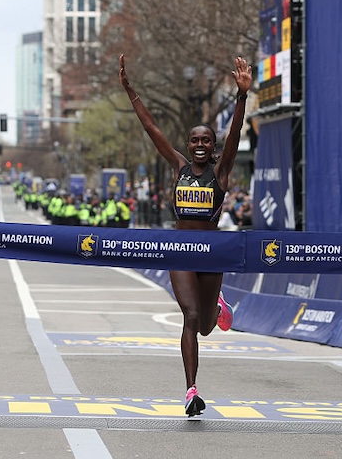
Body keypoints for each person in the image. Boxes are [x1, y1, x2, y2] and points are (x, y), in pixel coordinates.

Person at [120, 54, 251, 417]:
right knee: (190, 318)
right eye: (193, 139)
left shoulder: (220, 174)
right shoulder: (178, 167)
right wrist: (132, 93)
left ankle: (218, 304)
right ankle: (191, 391)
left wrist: (241, 97)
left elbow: (236, 134)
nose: (198, 144)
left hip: (211, 254)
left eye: (205, 141)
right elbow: (152, 130)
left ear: (212, 147)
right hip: (180, 253)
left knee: (207, 327)